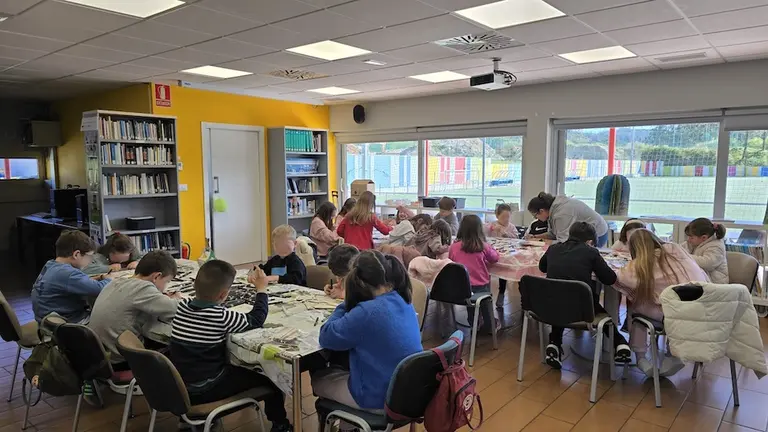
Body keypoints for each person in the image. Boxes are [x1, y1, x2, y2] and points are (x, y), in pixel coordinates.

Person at [170, 260, 292, 432]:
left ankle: (188, 423)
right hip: (207, 388)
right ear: (223, 295)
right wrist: (261, 289)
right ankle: (281, 424)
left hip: (179, 386)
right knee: (271, 375)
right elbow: (256, 319)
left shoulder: (182, 307)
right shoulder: (221, 316)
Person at [313, 250, 422, 411]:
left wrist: (346, 301)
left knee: (318, 379)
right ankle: (348, 427)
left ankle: (347, 425)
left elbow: (326, 336)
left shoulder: (366, 312)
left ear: (356, 283)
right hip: (411, 393)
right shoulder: (401, 298)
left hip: (379, 398)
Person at [615, 229, 708, 377]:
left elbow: (621, 278)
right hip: (706, 307)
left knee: (638, 301)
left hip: (676, 313)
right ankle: (673, 354)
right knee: (670, 298)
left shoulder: (642, 264)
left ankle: (640, 357)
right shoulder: (676, 249)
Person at [538, 222, 632, 369]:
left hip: (551, 305)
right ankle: (620, 343)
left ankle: (554, 344)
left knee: (562, 301)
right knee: (596, 309)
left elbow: (542, 267)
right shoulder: (591, 252)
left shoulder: (553, 248)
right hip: (582, 308)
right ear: (589, 242)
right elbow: (609, 279)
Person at [89, 250, 180, 367]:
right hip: (121, 359)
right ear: (157, 276)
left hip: (100, 355)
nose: (166, 286)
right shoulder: (143, 288)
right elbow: (174, 309)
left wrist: (159, 297)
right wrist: (176, 298)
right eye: (166, 282)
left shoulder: (117, 282)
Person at [31, 230, 111, 323]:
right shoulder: (67, 273)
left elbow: (72, 283)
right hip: (68, 325)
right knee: (112, 319)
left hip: (48, 322)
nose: (90, 260)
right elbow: (99, 289)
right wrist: (109, 279)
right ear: (76, 254)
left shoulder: (51, 265)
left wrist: (96, 278)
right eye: (89, 256)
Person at [449, 215, 499, 334]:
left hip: (461, 286)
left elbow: (451, 261)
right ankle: (490, 325)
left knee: (470, 305)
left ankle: (474, 323)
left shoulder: (454, 247)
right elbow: (495, 258)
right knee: (486, 305)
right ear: (479, 229)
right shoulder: (482, 246)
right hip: (481, 284)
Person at [527, 192, 610, 247]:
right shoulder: (554, 208)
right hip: (585, 234)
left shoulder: (562, 213)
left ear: (541, 211)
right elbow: (554, 233)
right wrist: (535, 237)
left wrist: (542, 241)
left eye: (535, 216)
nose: (536, 218)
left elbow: (564, 242)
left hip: (597, 234)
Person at [485, 203, 519, 307]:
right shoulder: (492, 225)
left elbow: (517, 238)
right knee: (487, 272)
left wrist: (506, 234)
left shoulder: (511, 227)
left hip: (506, 255)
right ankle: (486, 294)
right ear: (497, 216)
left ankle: (501, 293)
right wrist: (491, 228)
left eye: (508, 217)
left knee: (503, 274)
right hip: (492, 254)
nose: (506, 219)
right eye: (503, 217)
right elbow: (485, 235)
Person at [682, 218, 729, 284]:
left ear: (704, 237)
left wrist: (684, 256)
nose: (688, 240)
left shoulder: (717, 246)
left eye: (691, 237)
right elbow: (679, 249)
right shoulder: (694, 242)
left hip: (715, 283)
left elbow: (707, 263)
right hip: (702, 280)